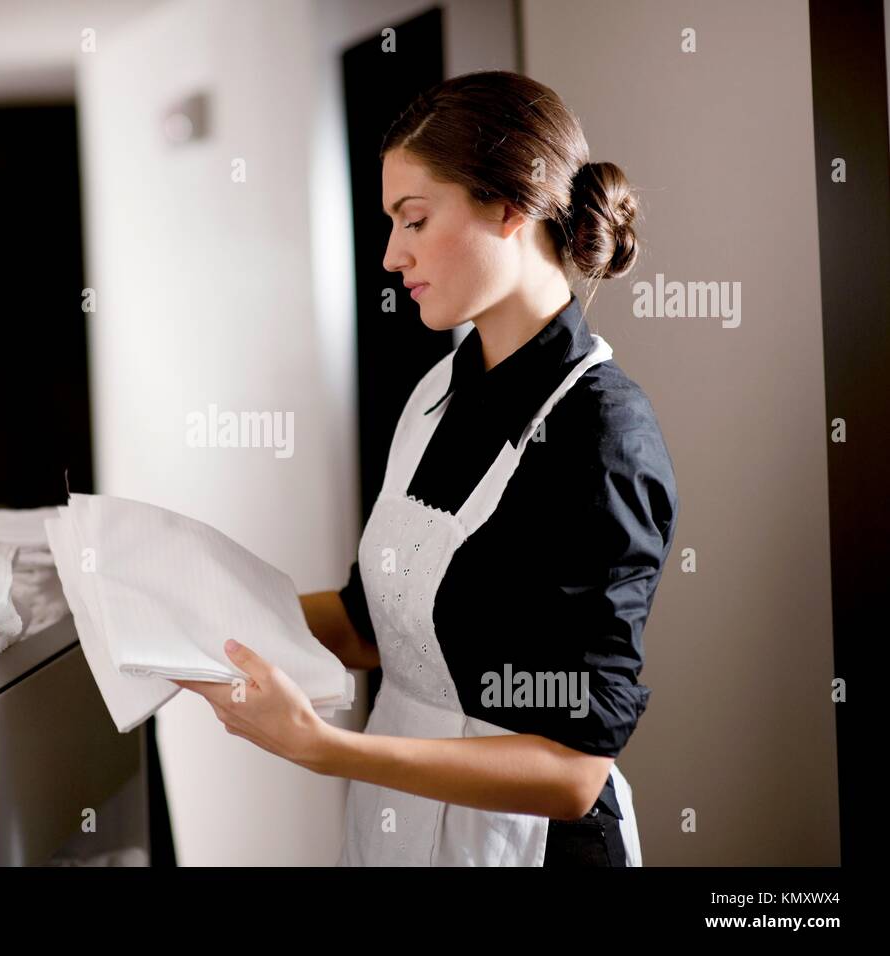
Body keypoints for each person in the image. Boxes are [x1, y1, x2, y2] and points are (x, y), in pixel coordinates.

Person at [172, 70, 678, 867]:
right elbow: (375, 623)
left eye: (413, 219)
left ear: (510, 206)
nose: (390, 254)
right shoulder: (440, 389)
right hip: (403, 827)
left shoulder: (603, 435)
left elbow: (575, 770)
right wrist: (192, 623)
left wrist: (322, 748)